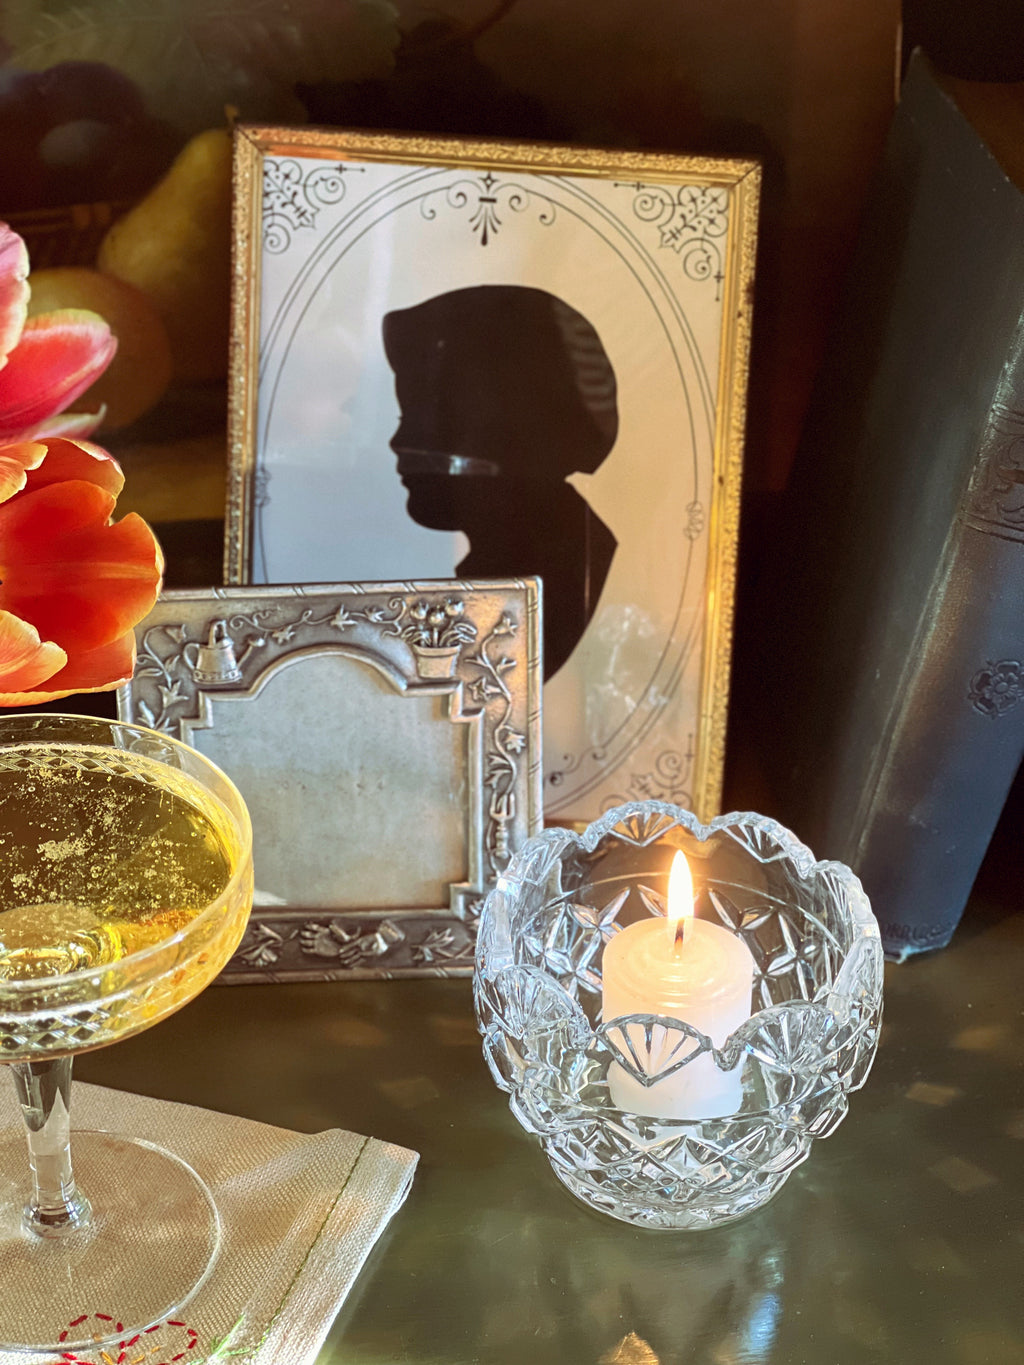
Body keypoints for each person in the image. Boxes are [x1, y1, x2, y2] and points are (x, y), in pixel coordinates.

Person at [382, 284, 619, 679]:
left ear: (515, 433)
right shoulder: (527, 561)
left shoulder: (541, 585)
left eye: (427, 424)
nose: (399, 443)